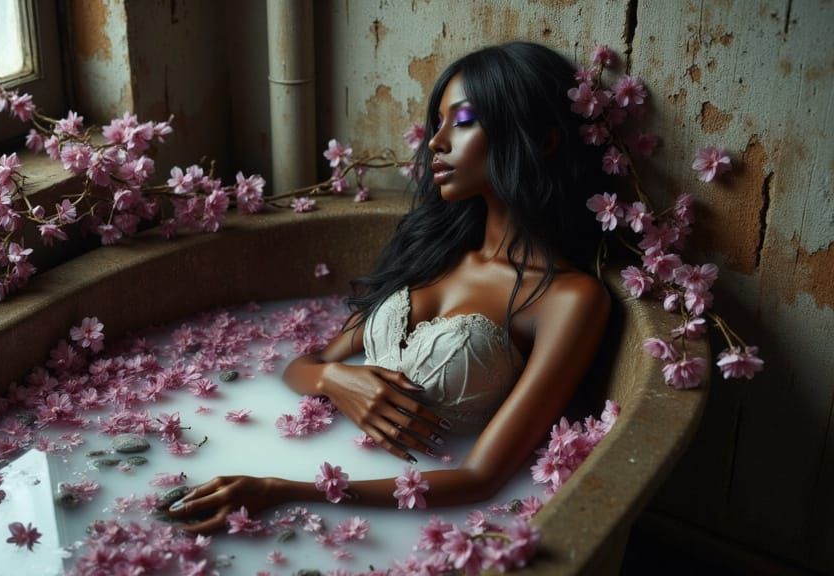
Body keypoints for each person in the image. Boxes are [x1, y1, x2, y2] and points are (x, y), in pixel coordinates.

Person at [168, 41, 612, 532]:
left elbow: (482, 478)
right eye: (437, 122)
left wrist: (283, 491)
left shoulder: (568, 300)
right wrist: (339, 381)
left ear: (543, 140)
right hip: (319, 458)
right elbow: (307, 367)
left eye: (463, 120)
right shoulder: (433, 250)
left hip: (396, 514)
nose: (436, 142)